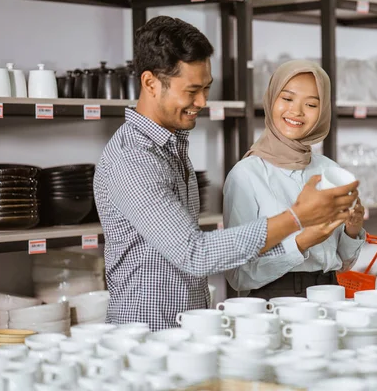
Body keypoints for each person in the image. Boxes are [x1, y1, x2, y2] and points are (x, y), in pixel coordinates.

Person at [93, 17, 359, 331]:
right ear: (151, 83)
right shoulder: (133, 158)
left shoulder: (171, 148)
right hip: (147, 334)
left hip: (185, 330)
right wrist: (298, 219)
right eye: (192, 90)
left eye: (206, 89)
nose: (202, 102)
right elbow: (195, 253)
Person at [223, 60, 366, 299]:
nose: (297, 111)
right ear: (271, 99)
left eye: (311, 104)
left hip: (331, 293)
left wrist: (352, 231)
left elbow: (342, 263)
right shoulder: (246, 175)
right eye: (287, 99)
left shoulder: (329, 170)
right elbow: (238, 274)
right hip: (275, 301)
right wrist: (299, 244)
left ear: (323, 112)